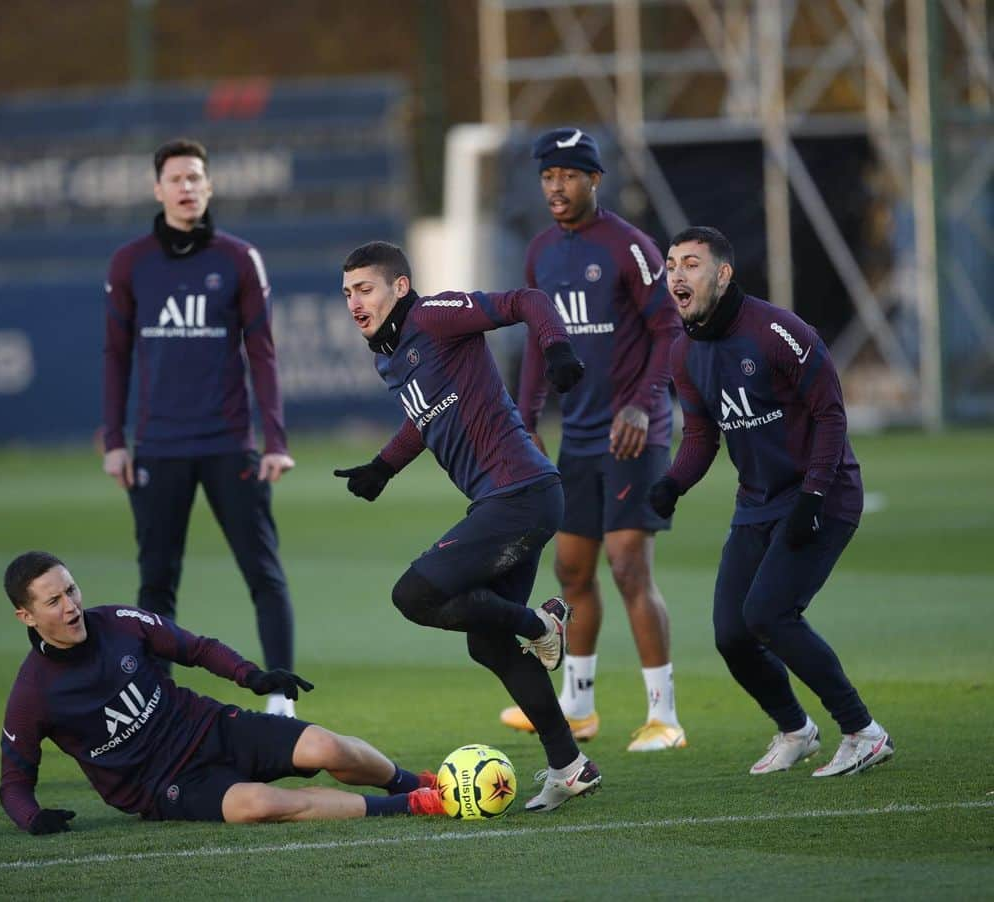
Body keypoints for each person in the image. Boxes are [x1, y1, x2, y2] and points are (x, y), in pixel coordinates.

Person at [335, 241, 601, 812]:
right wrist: (383, 466)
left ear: (399, 288)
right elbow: (424, 418)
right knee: (488, 642)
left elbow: (526, 299)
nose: (354, 302)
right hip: (512, 500)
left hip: (520, 495)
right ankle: (570, 766)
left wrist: (556, 349)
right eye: (347, 293)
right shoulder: (389, 353)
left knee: (414, 593)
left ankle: (541, 623)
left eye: (365, 289)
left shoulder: (434, 316)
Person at [649, 226, 894, 776]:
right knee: (732, 634)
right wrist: (671, 484)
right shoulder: (683, 352)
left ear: (723, 273)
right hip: (756, 503)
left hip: (822, 495)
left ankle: (863, 731)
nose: (677, 275)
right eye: (670, 265)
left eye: (691, 264)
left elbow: (831, 413)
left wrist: (812, 494)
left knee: (770, 614)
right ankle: (795, 730)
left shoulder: (776, 329)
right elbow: (700, 437)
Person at [0, 551, 444, 833]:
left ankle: (414, 782)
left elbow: (196, 649)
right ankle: (411, 806)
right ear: (27, 616)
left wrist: (252, 677)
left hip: (209, 727)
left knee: (325, 745)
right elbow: (14, 782)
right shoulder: (32, 693)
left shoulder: (119, 621)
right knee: (259, 803)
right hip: (166, 784)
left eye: (71, 590)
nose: (72, 606)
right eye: (53, 601)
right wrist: (32, 817)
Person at [501, 127, 686, 753]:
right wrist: (525, 418)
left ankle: (664, 715)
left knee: (628, 564)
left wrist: (642, 404)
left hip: (636, 436)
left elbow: (669, 331)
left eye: (568, 175)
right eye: (547, 176)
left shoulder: (630, 248)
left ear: (594, 180)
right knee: (571, 568)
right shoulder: (540, 254)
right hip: (576, 438)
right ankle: (578, 707)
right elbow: (537, 340)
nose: (556, 186)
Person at [103, 138, 298, 716]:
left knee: (263, 574)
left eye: (195, 178)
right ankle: (157, 709)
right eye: (176, 178)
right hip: (158, 448)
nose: (187, 187)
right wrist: (115, 442)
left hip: (228, 444)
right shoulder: (130, 262)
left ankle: (282, 698)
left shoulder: (238, 258)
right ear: (157, 189)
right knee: (155, 587)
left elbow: (263, 354)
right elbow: (114, 357)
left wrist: (276, 440)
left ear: (208, 187)